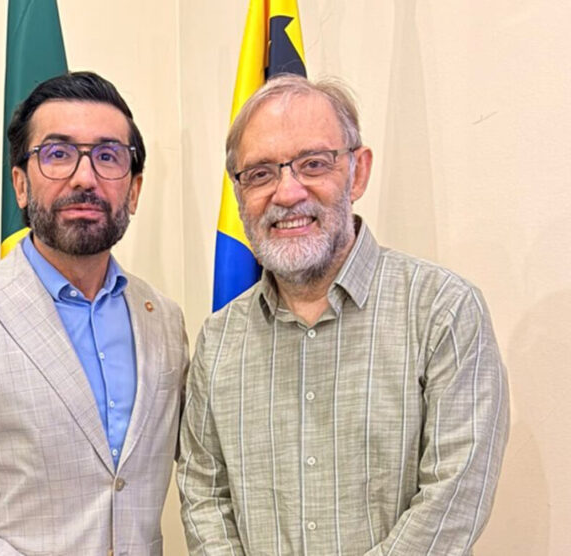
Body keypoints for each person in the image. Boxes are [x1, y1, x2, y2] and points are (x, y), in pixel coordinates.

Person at [178, 74, 508, 555]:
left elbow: (455, 497)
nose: (288, 193)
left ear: (358, 172)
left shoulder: (444, 310)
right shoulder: (219, 339)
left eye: (313, 164)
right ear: (238, 193)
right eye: (261, 173)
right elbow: (203, 492)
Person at [0, 71, 188, 555]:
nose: (85, 177)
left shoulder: (165, 321)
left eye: (108, 156)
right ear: (21, 185)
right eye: (57, 154)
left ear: (133, 191)